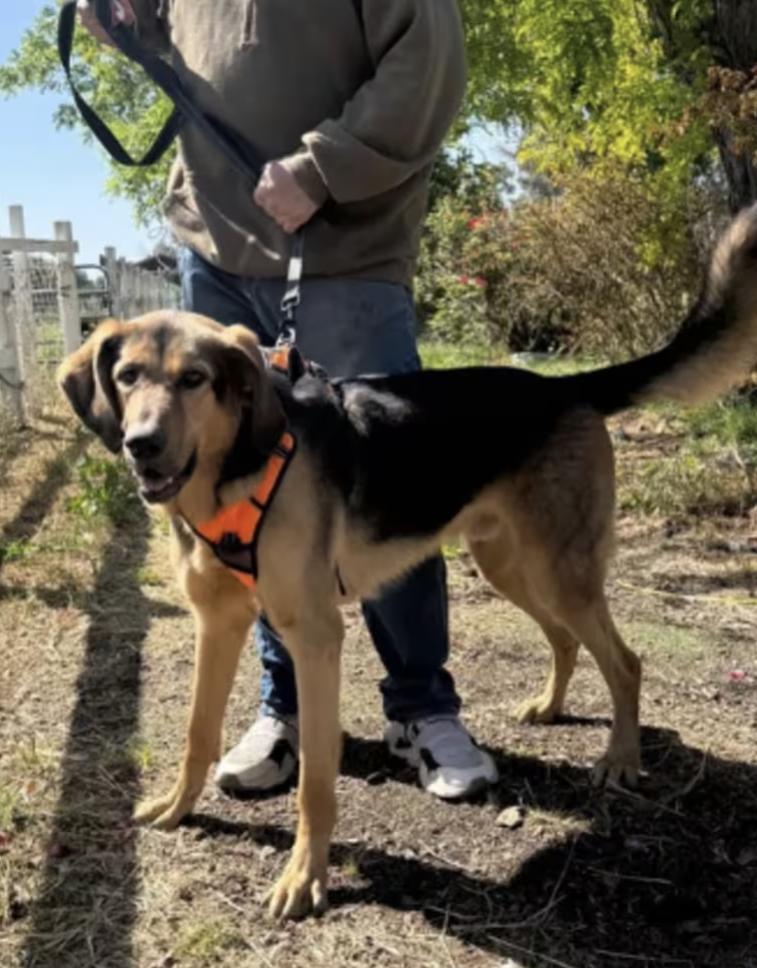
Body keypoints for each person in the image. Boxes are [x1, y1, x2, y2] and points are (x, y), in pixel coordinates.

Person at [78, 0, 498, 800]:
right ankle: (288, 706)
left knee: (387, 486)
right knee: (240, 497)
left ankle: (421, 708)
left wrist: (322, 168)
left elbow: (429, 61)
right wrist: (129, 24)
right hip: (213, 246)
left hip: (345, 249)